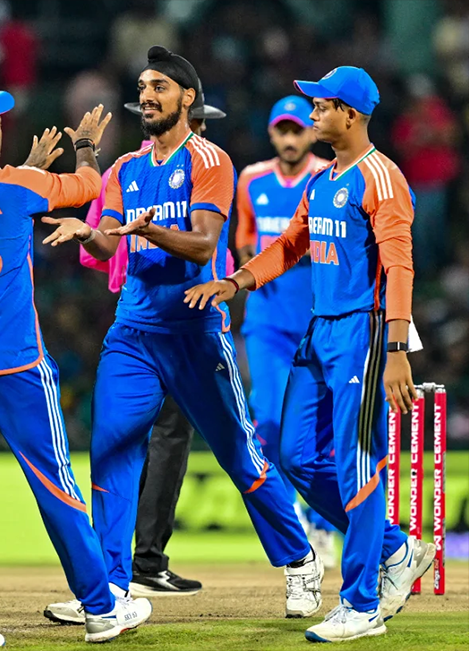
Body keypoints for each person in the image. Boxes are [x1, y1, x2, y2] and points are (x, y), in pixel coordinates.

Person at [42, 46, 321, 623]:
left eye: (159, 88)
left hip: (194, 331)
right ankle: (111, 590)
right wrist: (86, 232)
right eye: (143, 87)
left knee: (240, 455)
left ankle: (300, 561)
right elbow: (109, 243)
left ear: (187, 98)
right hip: (133, 332)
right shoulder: (124, 169)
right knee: (111, 453)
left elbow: (202, 245)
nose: (146, 96)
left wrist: (150, 232)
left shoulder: (211, 160)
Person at [186, 66, 436, 643]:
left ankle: (361, 604)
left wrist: (397, 349)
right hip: (318, 331)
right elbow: (290, 242)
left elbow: (400, 267)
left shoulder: (383, 178)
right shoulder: (323, 180)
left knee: (356, 464)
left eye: (322, 105)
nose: (313, 112)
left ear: (350, 113)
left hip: (362, 334)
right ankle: (397, 550)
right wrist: (238, 280)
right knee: (296, 455)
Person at [0, 89, 151, 649]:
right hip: (13, 360)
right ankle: (101, 609)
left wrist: (25, 170)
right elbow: (88, 186)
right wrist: (86, 145)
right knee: (55, 484)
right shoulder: (19, 186)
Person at [69, 92, 226, 602]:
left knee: (139, 441)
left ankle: (124, 566)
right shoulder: (150, 170)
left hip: (148, 316)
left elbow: (97, 245)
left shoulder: (159, 169)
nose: (202, 129)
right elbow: (103, 239)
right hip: (160, 318)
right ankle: (139, 564)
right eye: (198, 120)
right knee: (160, 439)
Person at [235, 96, 338, 568]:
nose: (291, 138)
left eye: (298, 130)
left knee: (321, 430)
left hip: (317, 322)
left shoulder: (328, 177)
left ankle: (322, 522)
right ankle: (289, 522)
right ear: (272, 133)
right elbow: (244, 238)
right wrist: (250, 264)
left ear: (311, 133)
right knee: (270, 420)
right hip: (269, 324)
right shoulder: (252, 178)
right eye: (283, 130)